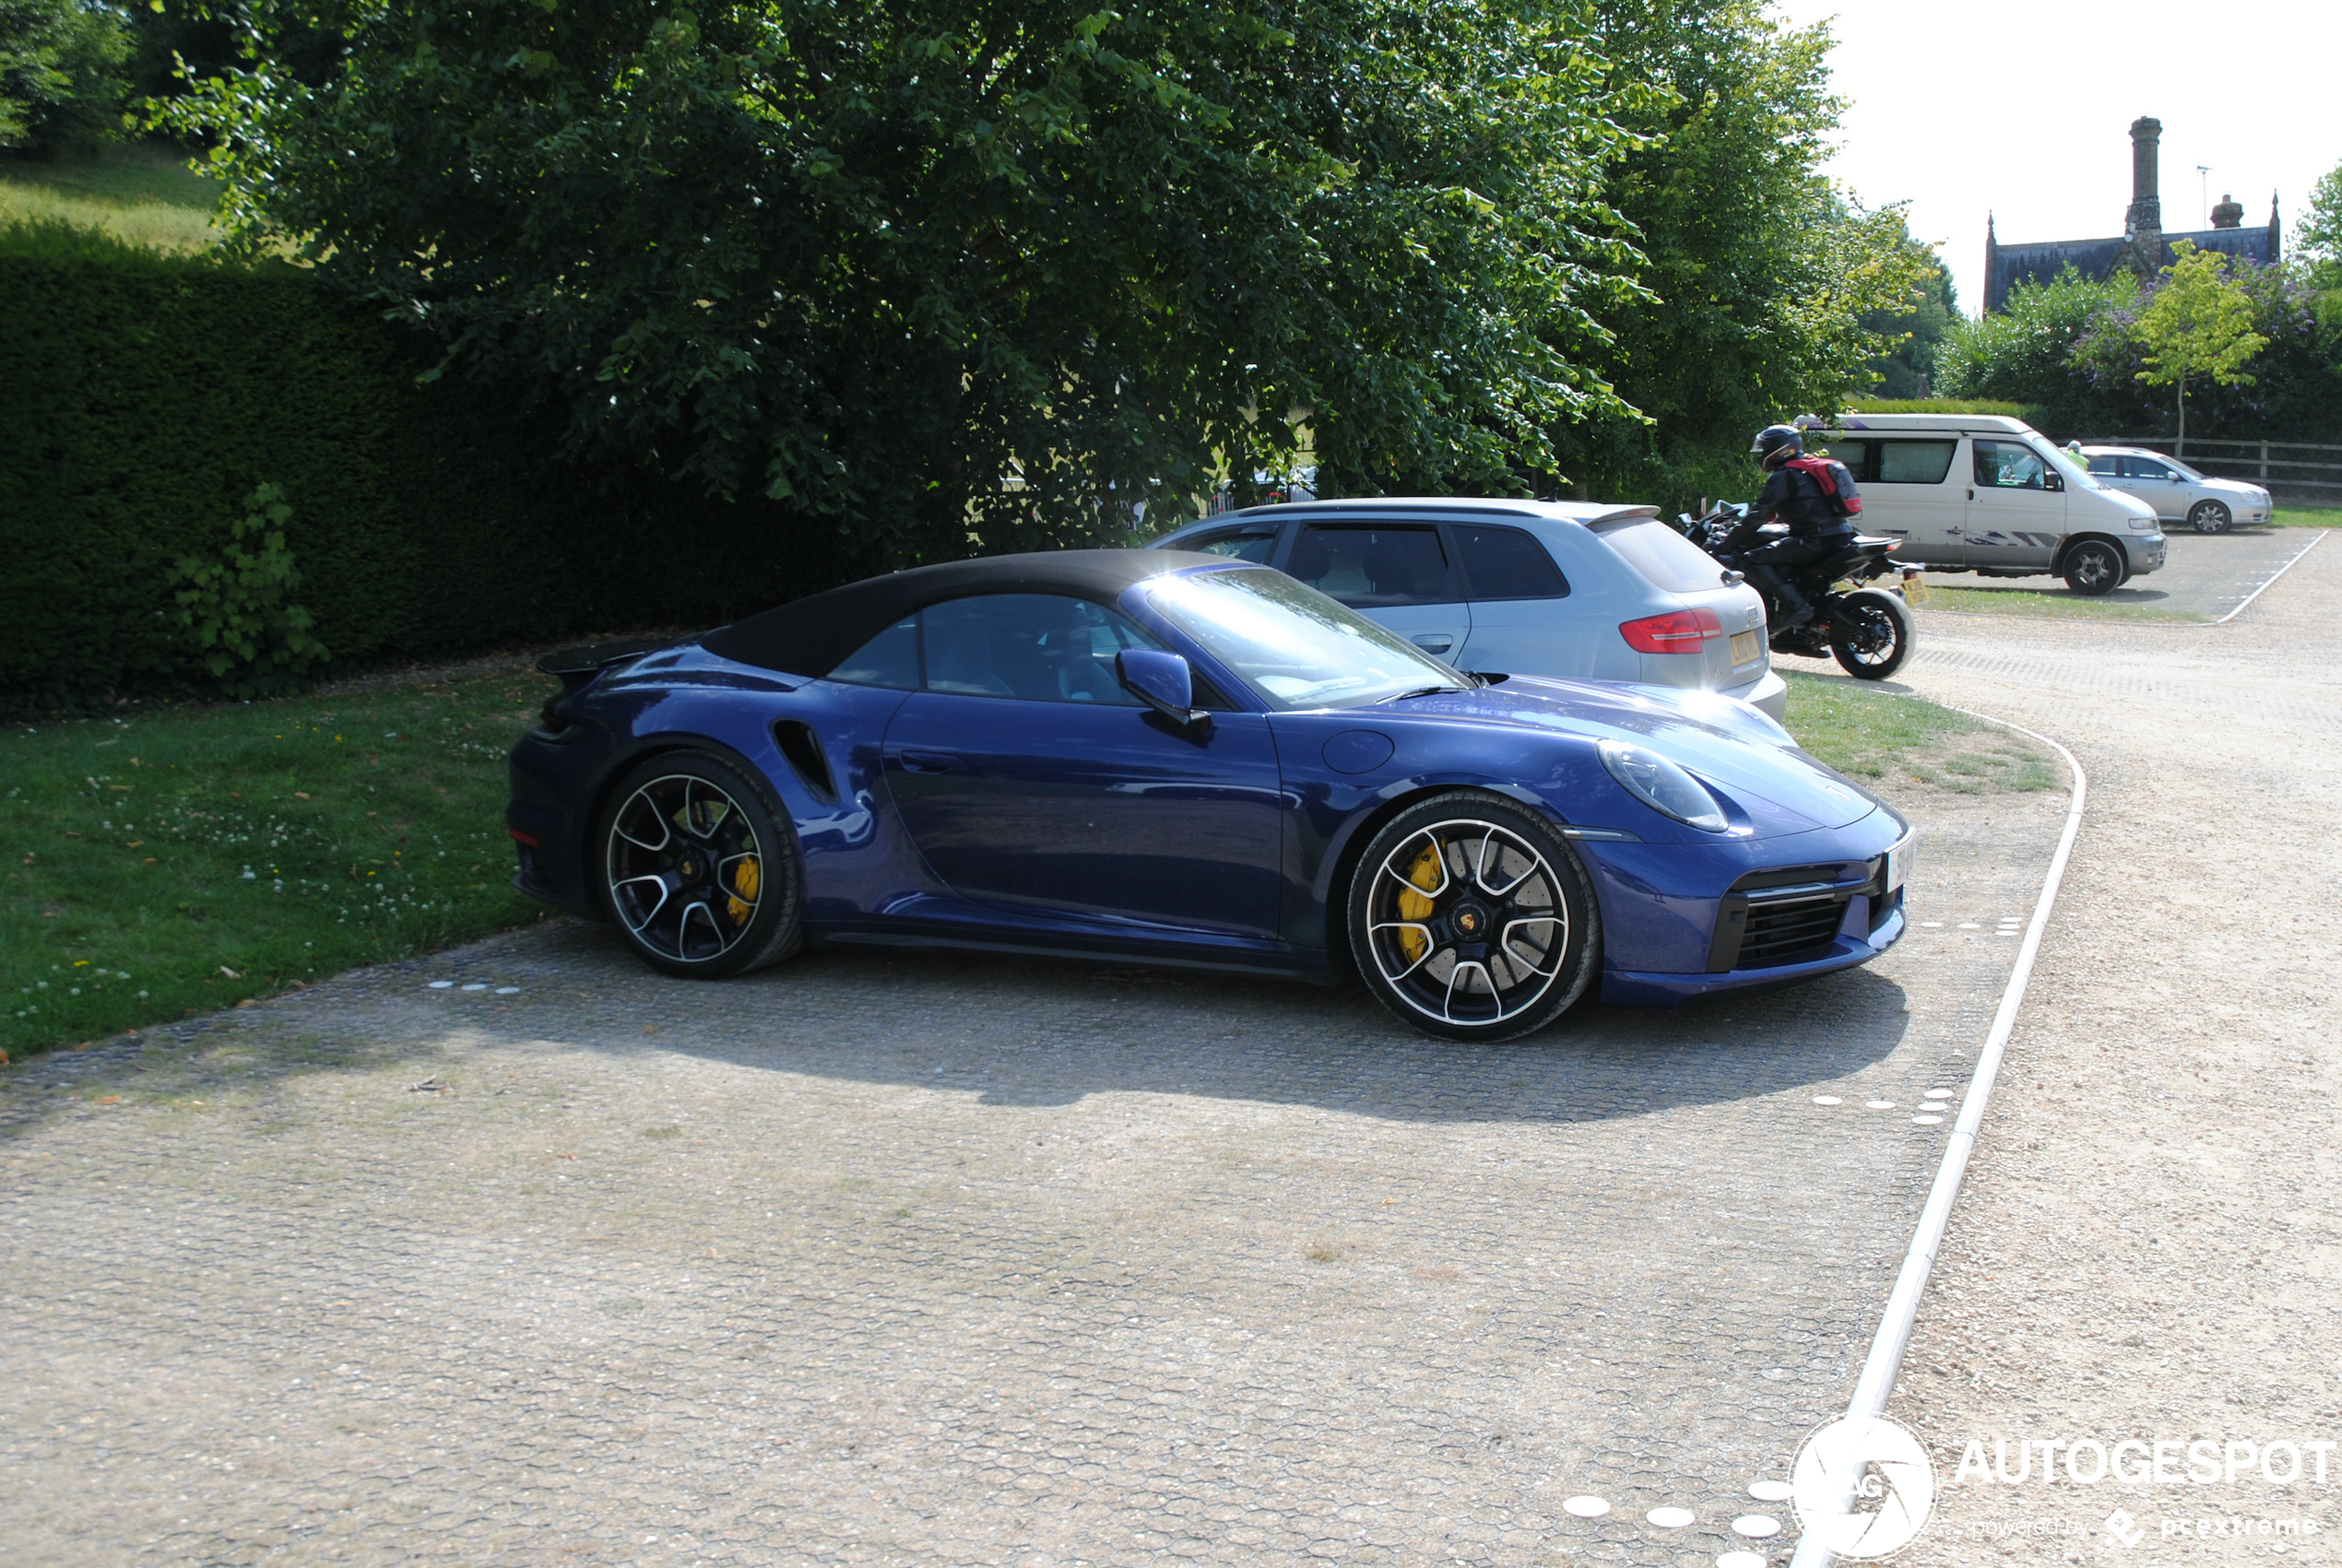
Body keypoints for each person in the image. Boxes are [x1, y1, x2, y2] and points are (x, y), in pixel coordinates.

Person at [1722, 424, 1855, 630]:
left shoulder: (1784, 476)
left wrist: (1727, 544)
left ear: (1777, 449)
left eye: (1765, 448)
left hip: (1815, 541)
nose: (1762, 453)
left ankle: (1797, 606)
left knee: (1751, 561)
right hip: (1842, 535)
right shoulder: (1807, 469)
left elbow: (1758, 516)